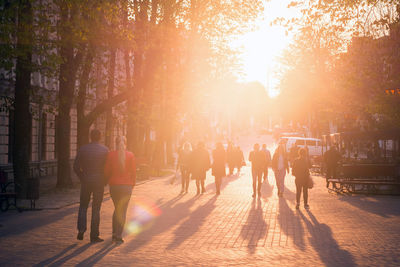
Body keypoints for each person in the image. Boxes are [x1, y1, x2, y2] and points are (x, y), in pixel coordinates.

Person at [74, 129, 109, 243]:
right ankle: (94, 235)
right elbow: (108, 168)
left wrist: (82, 177)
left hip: (86, 180)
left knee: (83, 205)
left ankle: (81, 230)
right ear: (100, 137)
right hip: (99, 181)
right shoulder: (105, 150)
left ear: (90, 137)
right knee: (96, 208)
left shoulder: (83, 149)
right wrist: (105, 180)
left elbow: (75, 166)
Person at [104, 136, 136, 243]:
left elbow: (107, 170)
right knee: (122, 211)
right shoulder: (130, 155)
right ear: (125, 143)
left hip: (114, 186)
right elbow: (133, 172)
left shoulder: (111, 154)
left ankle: (114, 233)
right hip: (126, 186)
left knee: (117, 209)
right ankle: (119, 235)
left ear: (115, 143)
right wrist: (132, 184)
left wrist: (107, 181)